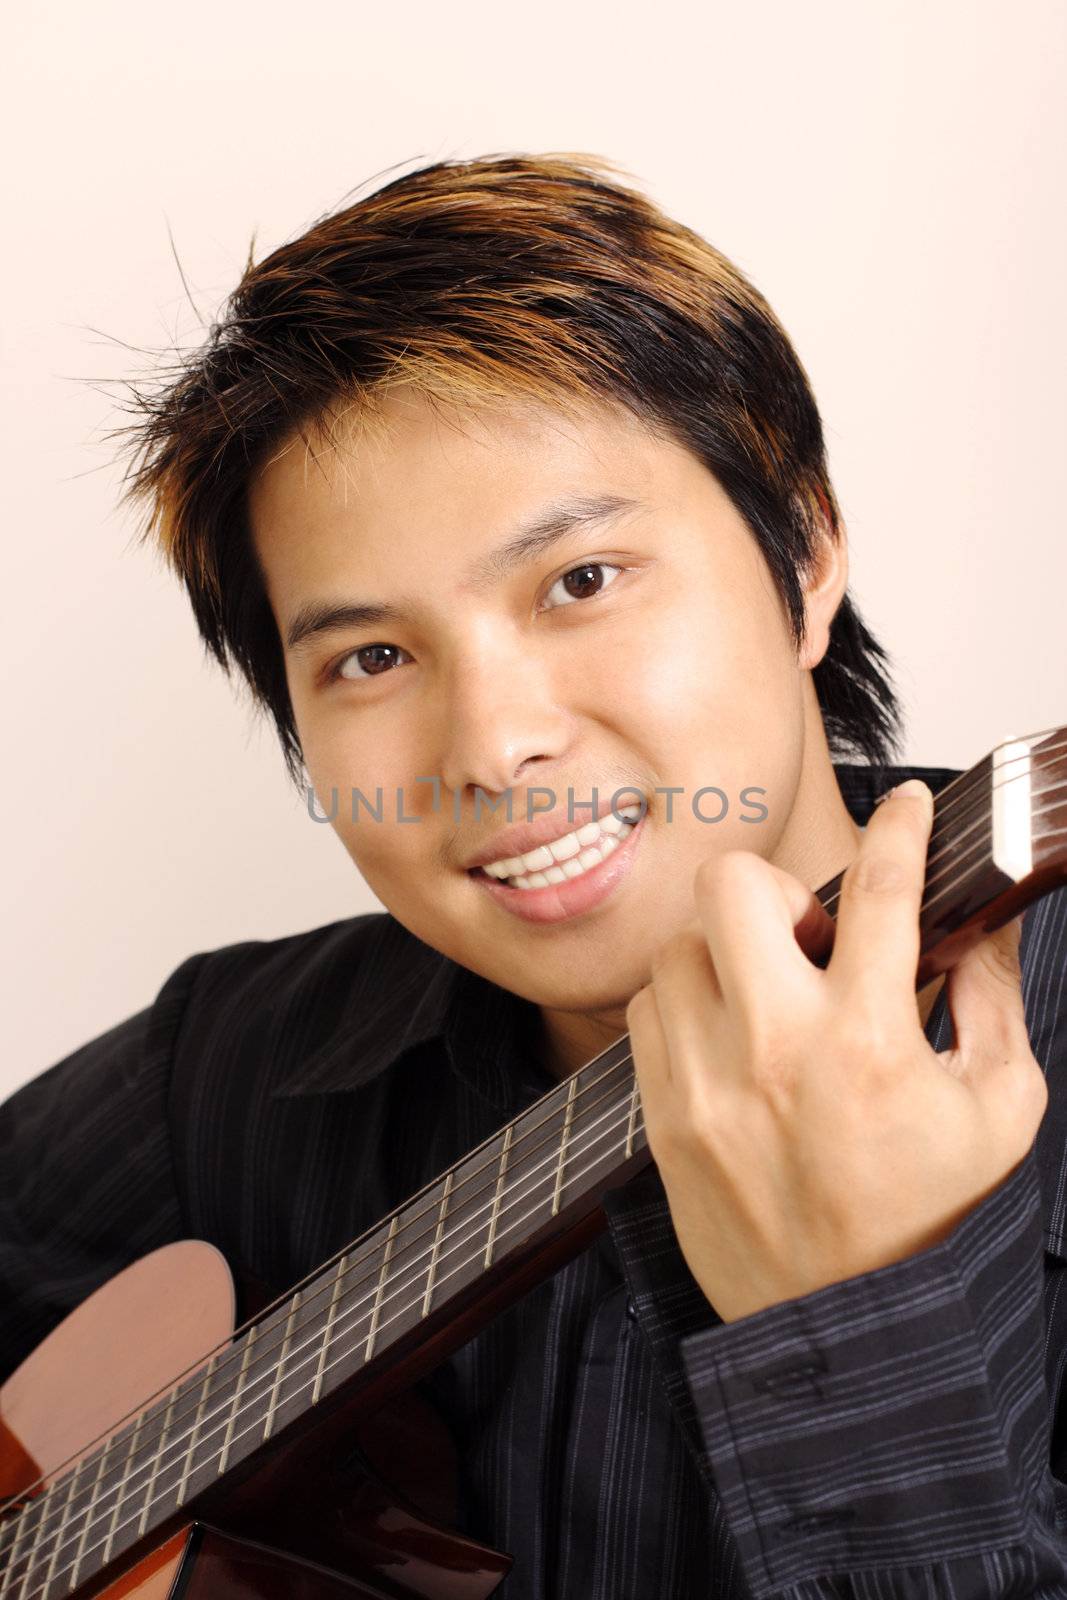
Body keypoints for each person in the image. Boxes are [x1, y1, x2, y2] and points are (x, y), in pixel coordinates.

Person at [2, 150, 1066, 1598]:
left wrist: (857, 1329)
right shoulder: (236, 1069)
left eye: (581, 581)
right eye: (372, 658)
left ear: (804, 556)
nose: (494, 748)